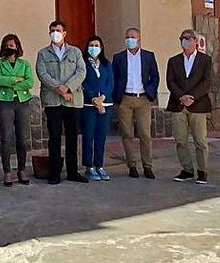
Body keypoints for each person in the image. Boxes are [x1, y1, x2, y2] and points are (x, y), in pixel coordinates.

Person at [36, 20, 87, 184]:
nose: (54, 33)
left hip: (72, 100)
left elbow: (81, 72)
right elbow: (42, 74)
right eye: (52, 30)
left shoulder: (75, 52)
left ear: (65, 33)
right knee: (54, 138)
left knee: (72, 137)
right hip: (53, 102)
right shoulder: (43, 53)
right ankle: (55, 173)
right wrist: (59, 89)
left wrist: (68, 88)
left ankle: (73, 171)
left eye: (57, 30)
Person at [166, 29, 213, 184]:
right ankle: (187, 169)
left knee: (200, 140)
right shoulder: (173, 61)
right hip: (178, 105)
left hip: (198, 105)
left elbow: (207, 82)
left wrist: (192, 97)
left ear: (195, 41)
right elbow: (170, 81)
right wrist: (182, 96)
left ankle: (202, 171)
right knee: (180, 140)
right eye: (182, 38)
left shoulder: (205, 60)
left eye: (188, 38)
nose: (185, 41)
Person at [112, 27, 160, 179]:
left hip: (143, 98)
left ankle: (147, 165)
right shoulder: (118, 57)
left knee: (145, 134)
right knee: (127, 134)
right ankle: (131, 165)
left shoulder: (148, 56)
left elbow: (155, 76)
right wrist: (116, 97)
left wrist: (150, 91)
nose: (129, 40)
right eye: (127, 37)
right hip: (125, 99)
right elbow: (114, 77)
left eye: (132, 37)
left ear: (139, 39)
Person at [0, 34, 34, 186]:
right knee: (6, 137)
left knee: (22, 138)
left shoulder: (24, 63)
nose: (10, 48)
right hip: (5, 101)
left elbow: (30, 81)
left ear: (17, 46)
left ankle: (21, 169)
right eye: (7, 45)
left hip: (22, 101)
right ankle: (7, 171)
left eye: (13, 45)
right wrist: (16, 79)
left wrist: (10, 82)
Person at [81, 36, 114, 181]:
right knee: (88, 136)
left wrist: (103, 98)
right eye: (91, 45)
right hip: (89, 105)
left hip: (105, 104)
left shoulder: (107, 64)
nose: (94, 47)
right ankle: (89, 166)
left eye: (96, 45)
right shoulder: (82, 63)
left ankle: (99, 165)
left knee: (101, 137)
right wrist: (94, 98)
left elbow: (110, 83)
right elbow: (83, 83)